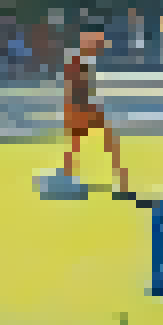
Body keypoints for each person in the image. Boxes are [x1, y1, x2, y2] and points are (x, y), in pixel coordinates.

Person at [53, 27, 136, 198]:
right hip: (80, 109)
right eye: (97, 41)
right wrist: (79, 109)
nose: (99, 45)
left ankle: (120, 180)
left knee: (87, 143)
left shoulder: (83, 59)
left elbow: (78, 88)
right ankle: (121, 180)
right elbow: (74, 88)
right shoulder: (77, 60)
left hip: (81, 108)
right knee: (100, 141)